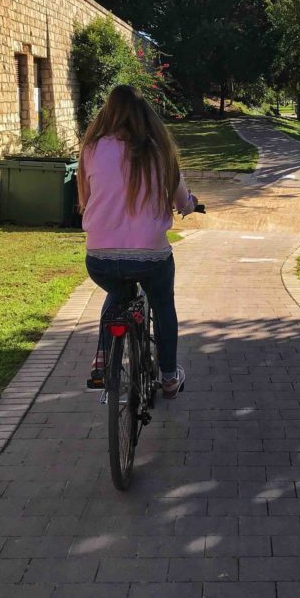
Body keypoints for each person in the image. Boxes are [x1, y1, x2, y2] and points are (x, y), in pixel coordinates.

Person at [77, 84, 195, 399]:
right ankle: (169, 376)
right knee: (162, 304)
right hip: (151, 258)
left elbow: (85, 200)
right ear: (146, 115)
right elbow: (181, 199)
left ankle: (102, 359)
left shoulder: (91, 149)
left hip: (100, 258)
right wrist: (189, 205)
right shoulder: (161, 151)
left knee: (117, 293)